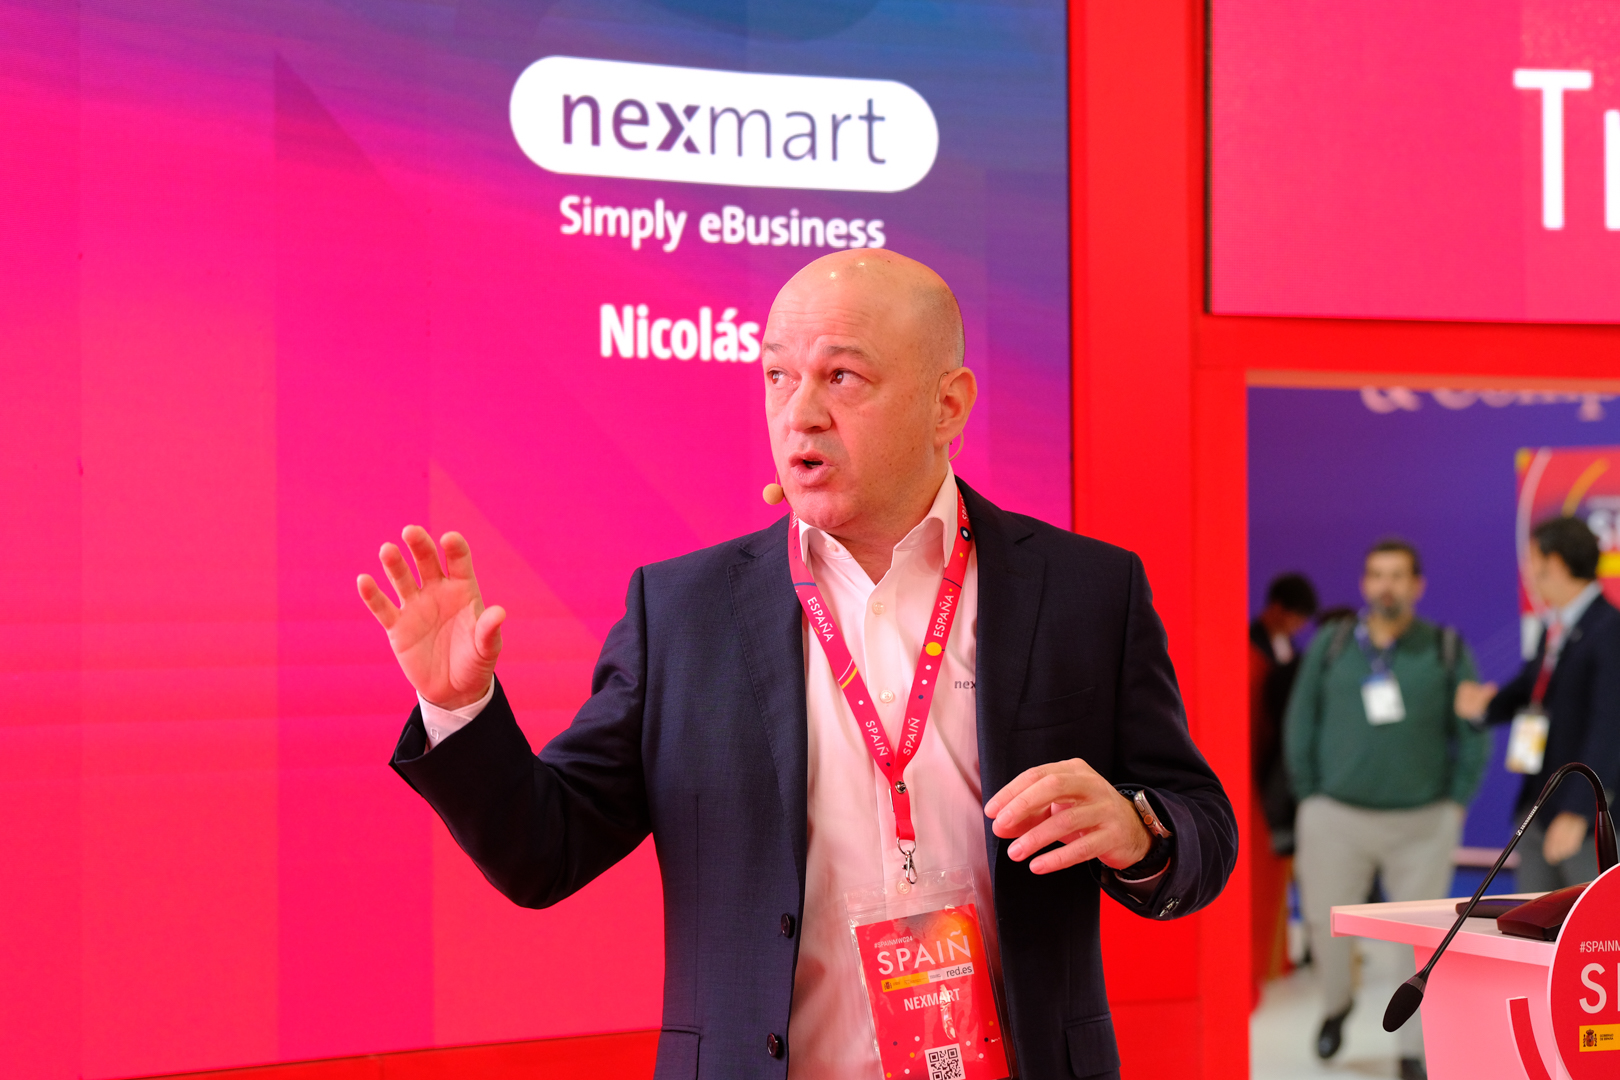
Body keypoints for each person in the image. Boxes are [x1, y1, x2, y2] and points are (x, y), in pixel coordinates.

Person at [356, 250, 1236, 1079]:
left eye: (841, 376)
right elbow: (542, 854)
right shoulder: (683, 611)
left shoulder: (1087, 590)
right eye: (778, 376)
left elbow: (1204, 828)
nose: (799, 412)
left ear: (948, 405)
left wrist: (1139, 831)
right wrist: (459, 708)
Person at [1284, 538, 1489, 1080]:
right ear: (1364, 584)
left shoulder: (1444, 647)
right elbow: (1300, 721)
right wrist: (1310, 795)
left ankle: (1412, 1047)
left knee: (1419, 943)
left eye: (1398, 575)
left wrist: (1456, 801)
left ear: (1417, 586)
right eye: (1377, 575)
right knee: (1323, 925)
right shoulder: (1332, 644)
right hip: (1335, 817)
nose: (1387, 586)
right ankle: (1336, 1005)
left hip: (1421, 822)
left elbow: (1472, 729)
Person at [1456, 516, 1620, 891]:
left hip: (1582, 819)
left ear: (1555, 564)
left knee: (1591, 922)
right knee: (1534, 919)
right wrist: (1484, 708)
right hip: (1540, 806)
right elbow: (1531, 688)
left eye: (1533, 559)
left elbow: (1610, 726)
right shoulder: (1555, 625)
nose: (1528, 571)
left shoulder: (1610, 630)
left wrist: (1580, 810)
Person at [1249, 572, 1318, 1002]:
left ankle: (1279, 960)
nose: (1297, 627)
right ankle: (1262, 962)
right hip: (1255, 775)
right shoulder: (1247, 649)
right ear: (1276, 609)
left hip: (1282, 774)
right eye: (1294, 617)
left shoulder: (1290, 652)